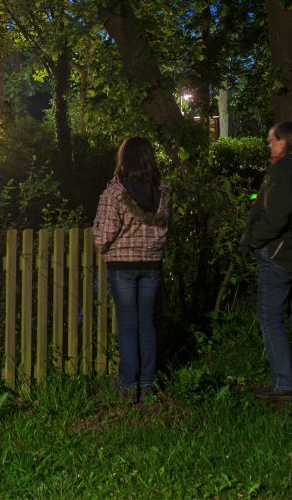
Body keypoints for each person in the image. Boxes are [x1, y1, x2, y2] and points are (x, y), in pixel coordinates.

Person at [240, 121, 292, 400]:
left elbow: (276, 216)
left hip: (281, 253)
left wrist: (255, 240)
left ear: (285, 141)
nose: (269, 145)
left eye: (271, 140)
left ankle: (283, 383)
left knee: (270, 316)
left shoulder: (285, 168)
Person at [93, 137, 172, 404]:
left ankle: (128, 385)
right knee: (147, 321)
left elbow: (103, 235)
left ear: (124, 160)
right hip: (152, 264)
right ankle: (148, 383)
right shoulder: (163, 192)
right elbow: (164, 230)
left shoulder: (114, 193)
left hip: (123, 265)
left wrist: (102, 246)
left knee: (128, 323)